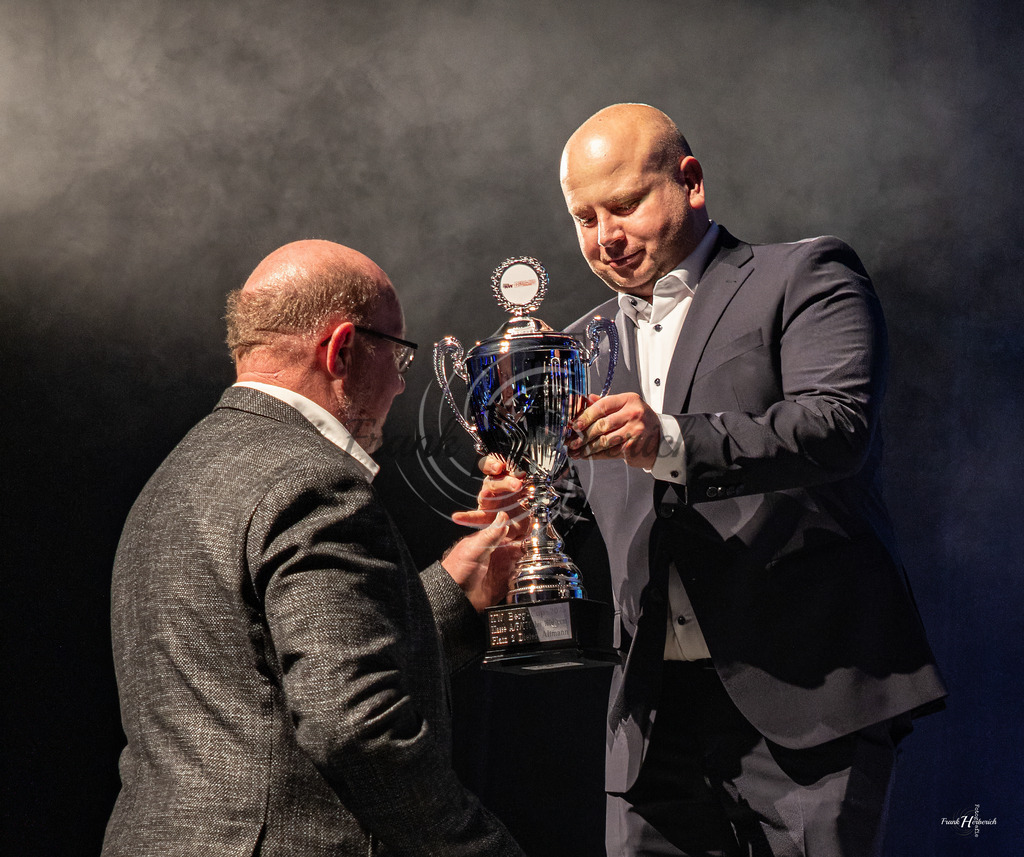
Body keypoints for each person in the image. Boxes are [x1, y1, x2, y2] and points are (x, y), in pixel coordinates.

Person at [462, 104, 946, 856]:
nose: (605, 237)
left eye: (624, 205)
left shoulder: (805, 274)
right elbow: (602, 510)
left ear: (690, 182)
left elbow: (836, 426)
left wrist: (671, 439)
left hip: (809, 693)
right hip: (652, 720)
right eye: (584, 218)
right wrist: (531, 511)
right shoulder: (580, 345)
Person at [102, 240, 527, 856]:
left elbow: (267, 682)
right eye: (399, 357)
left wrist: (452, 590)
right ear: (343, 349)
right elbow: (353, 724)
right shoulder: (314, 481)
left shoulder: (174, 476)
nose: (402, 387)